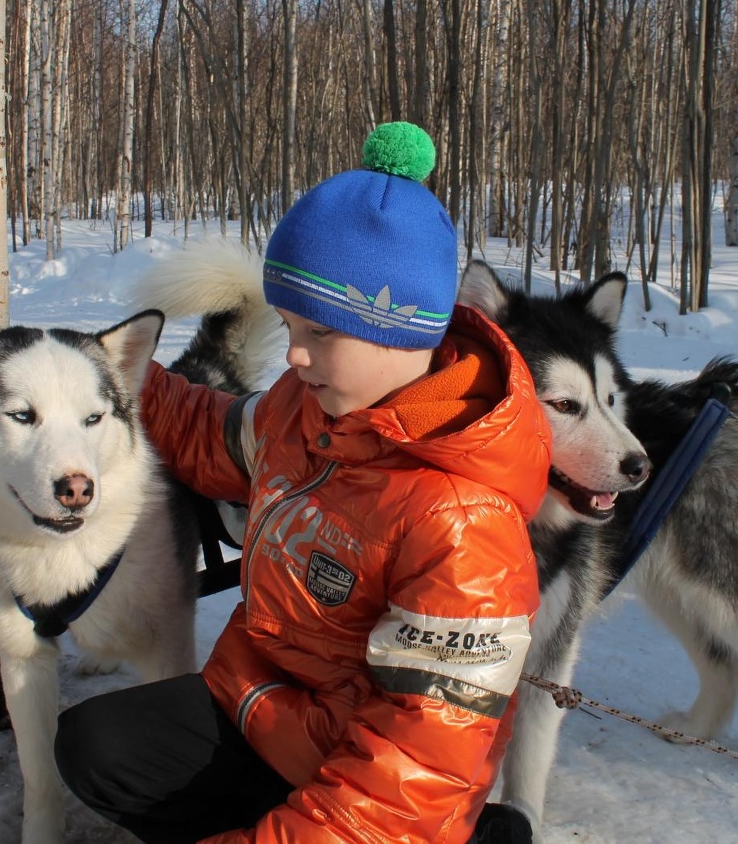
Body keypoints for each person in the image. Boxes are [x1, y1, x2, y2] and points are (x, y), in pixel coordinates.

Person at [53, 122, 551, 843]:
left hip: (381, 781)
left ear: (400, 329)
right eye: (290, 325)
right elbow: (213, 435)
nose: (292, 352)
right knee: (97, 746)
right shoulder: (305, 405)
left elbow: (411, 772)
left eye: (320, 333)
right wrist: (109, 377)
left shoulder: (462, 521)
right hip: (263, 704)